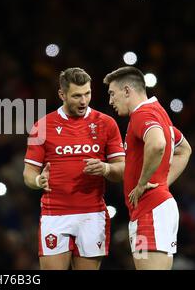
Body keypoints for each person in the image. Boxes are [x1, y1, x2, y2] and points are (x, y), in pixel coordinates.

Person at [23, 67, 125, 270]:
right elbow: (28, 173)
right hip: (55, 215)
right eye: (77, 95)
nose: (84, 101)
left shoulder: (107, 123)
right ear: (62, 94)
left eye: (87, 93)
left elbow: (121, 170)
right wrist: (37, 181)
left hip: (92, 215)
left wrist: (105, 168)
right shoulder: (42, 126)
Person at [103, 66, 192, 270]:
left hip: (150, 211)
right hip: (154, 209)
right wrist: (162, 184)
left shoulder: (142, 115)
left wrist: (143, 183)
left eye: (112, 93)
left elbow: (158, 144)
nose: (110, 101)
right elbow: (184, 150)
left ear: (127, 91)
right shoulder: (159, 113)